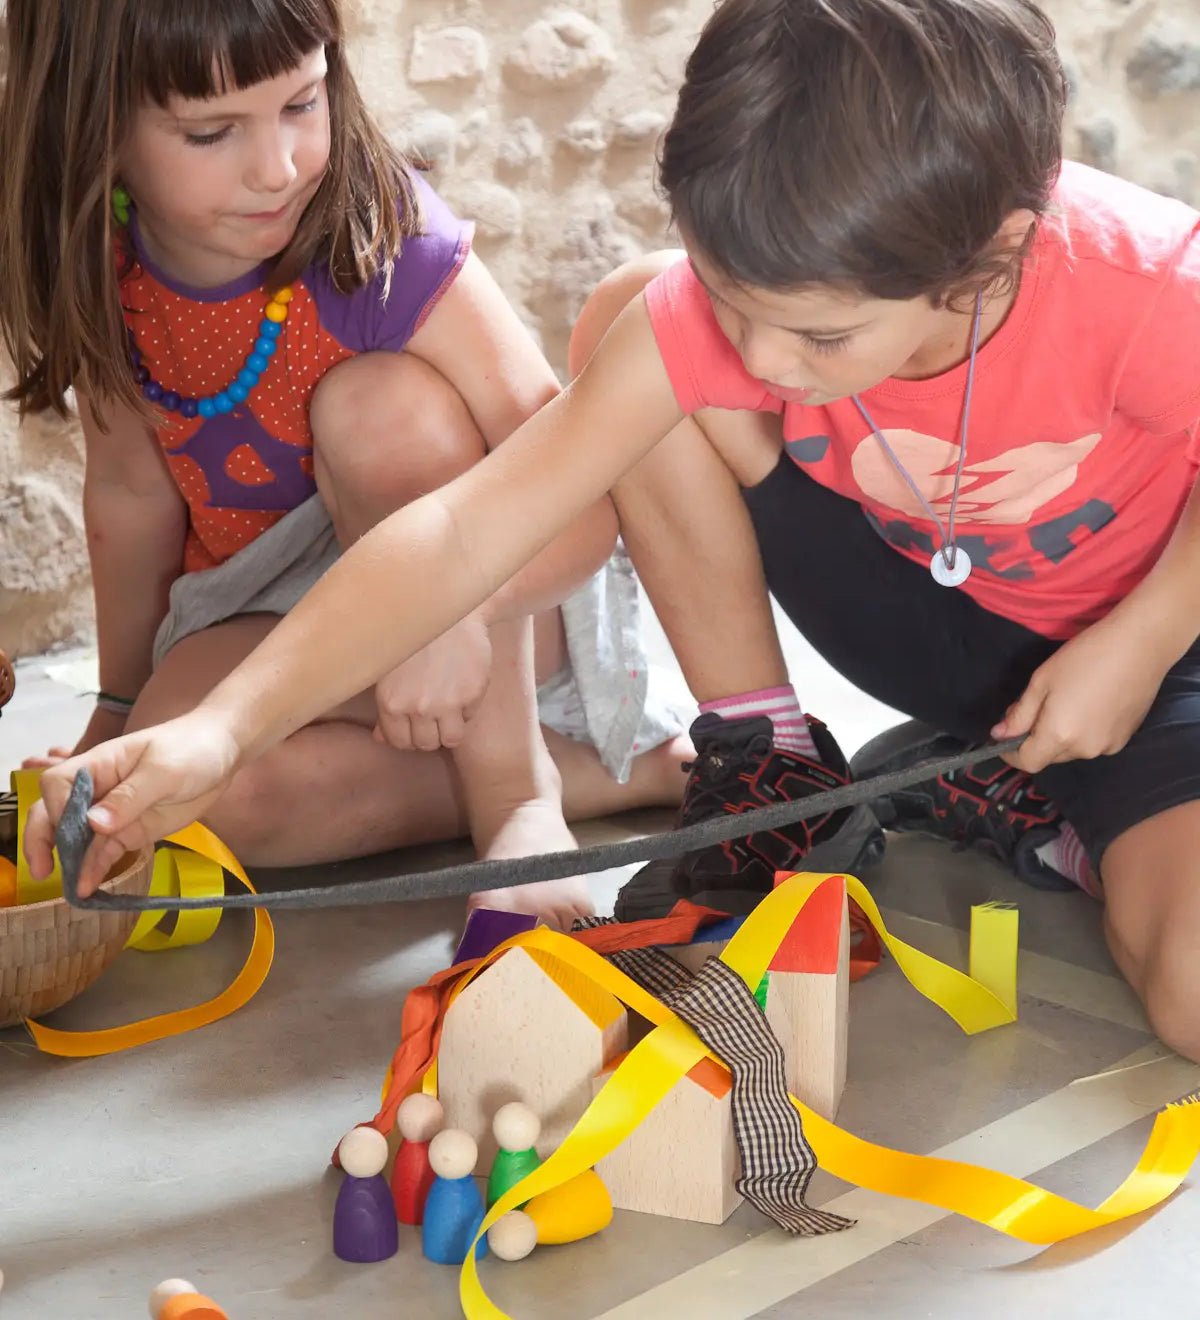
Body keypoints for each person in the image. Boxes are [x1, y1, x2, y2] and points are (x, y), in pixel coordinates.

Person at [25, 0, 1200, 1059]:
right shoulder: (725, 320)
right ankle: (776, 760)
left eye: (820, 341)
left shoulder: (1146, 280)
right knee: (639, 323)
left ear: (986, 262)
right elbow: (459, 535)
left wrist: (1148, 633)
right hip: (949, 628)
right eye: (733, 302)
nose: (762, 367)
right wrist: (221, 734)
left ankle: (1038, 797)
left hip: (1165, 641)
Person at [0, 0, 694, 930]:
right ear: (97, 129)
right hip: (276, 610)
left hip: (499, 594)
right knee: (182, 793)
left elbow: (576, 495)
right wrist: (120, 714)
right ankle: (612, 777)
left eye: (302, 103)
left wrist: (448, 607)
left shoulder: (385, 237)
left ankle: (520, 800)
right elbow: (130, 498)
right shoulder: (106, 263)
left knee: (378, 408)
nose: (277, 167)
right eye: (212, 132)